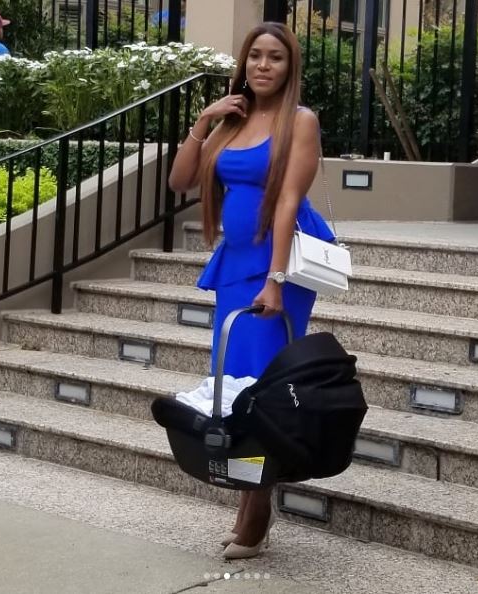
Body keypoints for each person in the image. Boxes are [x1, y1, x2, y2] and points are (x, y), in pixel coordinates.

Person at [168, 22, 334, 560]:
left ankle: (256, 510)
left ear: (290, 67)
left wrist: (276, 279)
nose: (264, 65)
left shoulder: (300, 121)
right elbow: (180, 181)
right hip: (236, 263)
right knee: (234, 384)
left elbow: (287, 200)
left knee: (260, 388)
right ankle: (248, 500)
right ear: (244, 63)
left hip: (275, 266)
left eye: (276, 58)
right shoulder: (232, 120)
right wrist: (204, 120)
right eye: (256, 56)